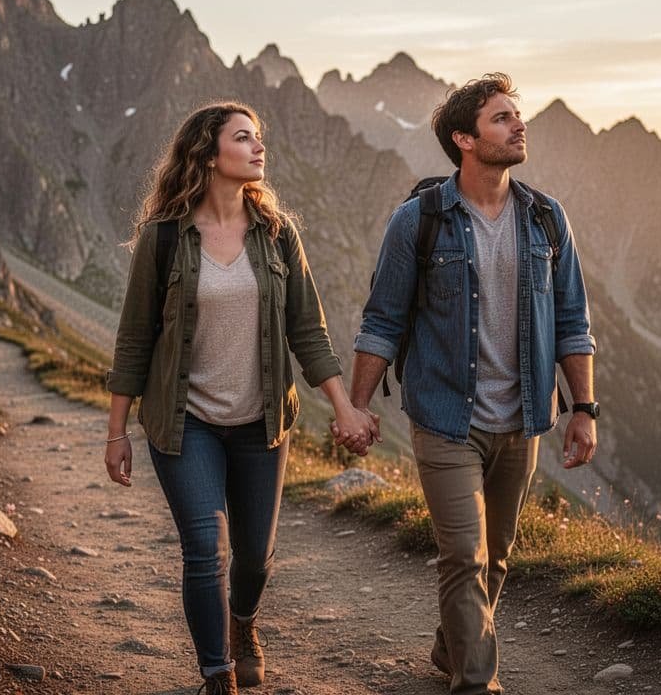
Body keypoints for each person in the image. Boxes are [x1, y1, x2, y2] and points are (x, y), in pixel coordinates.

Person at [103, 102, 377, 694]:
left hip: (261, 423)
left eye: (260, 138)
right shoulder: (164, 239)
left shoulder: (278, 235)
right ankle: (216, 675)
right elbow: (134, 338)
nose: (259, 149)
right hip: (186, 424)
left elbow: (308, 331)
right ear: (207, 152)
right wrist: (116, 431)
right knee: (206, 550)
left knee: (254, 557)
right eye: (244, 138)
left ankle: (243, 624)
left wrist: (344, 406)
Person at [345, 74, 598, 694]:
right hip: (444, 419)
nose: (519, 125)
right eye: (501, 118)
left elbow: (573, 321)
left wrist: (584, 408)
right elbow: (383, 318)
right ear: (464, 138)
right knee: (465, 554)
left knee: (497, 555)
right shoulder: (419, 221)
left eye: (518, 115)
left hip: (522, 421)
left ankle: (450, 646)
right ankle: (476, 682)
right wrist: (356, 409)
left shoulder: (545, 218)